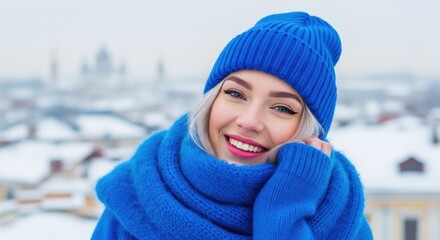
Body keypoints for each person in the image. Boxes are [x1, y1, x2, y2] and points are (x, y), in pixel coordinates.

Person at [91, 11, 373, 239]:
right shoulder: (137, 198)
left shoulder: (339, 218)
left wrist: (283, 215)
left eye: (282, 108)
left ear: (309, 130)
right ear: (212, 99)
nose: (250, 121)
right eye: (236, 94)